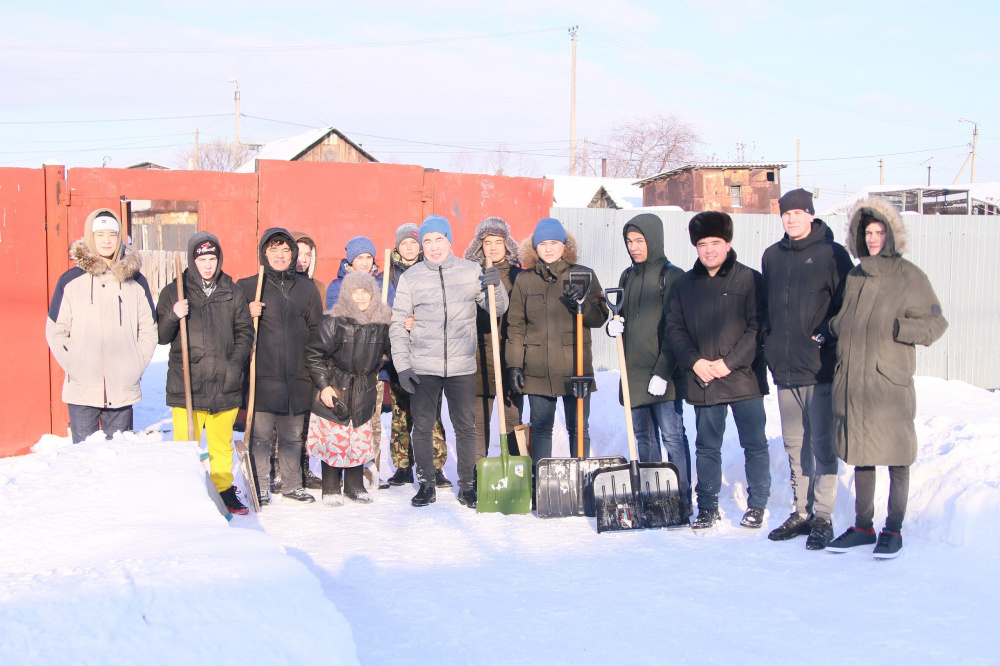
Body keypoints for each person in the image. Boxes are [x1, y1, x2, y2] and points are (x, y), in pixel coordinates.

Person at [826, 196, 947, 559]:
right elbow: (845, 316)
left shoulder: (909, 275)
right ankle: (864, 527)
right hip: (855, 382)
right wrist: (836, 326)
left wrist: (898, 327)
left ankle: (893, 530)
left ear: (891, 235)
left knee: (897, 456)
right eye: (868, 232)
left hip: (889, 383)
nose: (874, 238)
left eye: (879, 231)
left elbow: (936, 323)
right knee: (862, 453)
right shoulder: (855, 274)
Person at [761, 189, 855, 549]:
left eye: (799, 213)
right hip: (785, 369)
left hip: (820, 368)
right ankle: (801, 511)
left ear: (811, 215)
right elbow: (767, 305)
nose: (792, 219)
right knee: (793, 444)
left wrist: (826, 333)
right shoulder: (772, 256)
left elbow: (848, 302)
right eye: (786, 214)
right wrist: (769, 339)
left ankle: (823, 516)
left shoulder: (831, 253)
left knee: (822, 444)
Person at [389, 214, 504, 508]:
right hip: (423, 366)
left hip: (461, 365)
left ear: (449, 240)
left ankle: (467, 486)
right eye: (427, 241)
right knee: (423, 427)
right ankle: (426, 483)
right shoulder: (411, 278)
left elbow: (497, 308)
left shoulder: (470, 271)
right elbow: (398, 322)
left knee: (465, 427)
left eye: (439, 239)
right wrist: (402, 366)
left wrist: (497, 284)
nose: (433, 246)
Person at [665, 211, 770, 530]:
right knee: (707, 446)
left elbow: (758, 327)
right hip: (704, 378)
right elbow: (674, 327)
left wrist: (729, 362)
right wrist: (695, 362)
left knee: (754, 443)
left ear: (728, 243)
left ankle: (757, 504)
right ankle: (707, 506)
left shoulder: (750, 279)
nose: (709, 249)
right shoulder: (685, 285)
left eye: (715, 243)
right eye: (702, 244)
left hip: (743, 376)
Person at [157, 232, 254, 515]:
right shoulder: (174, 292)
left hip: (225, 383)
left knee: (220, 445)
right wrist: (174, 314)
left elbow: (245, 333)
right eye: (202, 259)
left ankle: (224, 491)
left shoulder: (232, 292)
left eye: (212, 259)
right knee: (184, 445)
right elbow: (162, 337)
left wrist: (234, 365)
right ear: (192, 260)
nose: (208, 265)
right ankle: (184, 493)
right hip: (187, 383)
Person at [46, 208, 158, 443]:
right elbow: (56, 330)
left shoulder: (136, 281)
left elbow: (149, 329)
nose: (107, 240)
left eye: (112, 234)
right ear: (90, 237)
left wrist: (134, 365)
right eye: (100, 235)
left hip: (122, 389)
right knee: (84, 462)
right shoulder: (70, 281)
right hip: (82, 389)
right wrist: (76, 364)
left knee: (118, 462)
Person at [505, 217, 609, 468]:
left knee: (578, 428)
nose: (549, 248)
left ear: (565, 246)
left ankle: (580, 479)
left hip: (575, 368)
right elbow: (516, 326)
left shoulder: (583, 275)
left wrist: (581, 305)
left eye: (554, 243)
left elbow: (600, 318)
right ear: (535, 248)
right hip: (536, 368)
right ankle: (542, 485)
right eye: (543, 244)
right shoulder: (525, 280)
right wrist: (514, 365)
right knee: (541, 428)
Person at [606, 212, 691, 513]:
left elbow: (676, 329)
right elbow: (622, 317)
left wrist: (663, 372)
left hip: (662, 373)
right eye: (629, 241)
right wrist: (612, 327)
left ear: (653, 240)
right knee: (644, 438)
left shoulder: (672, 276)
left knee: (672, 436)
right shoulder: (627, 277)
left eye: (640, 240)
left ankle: (681, 498)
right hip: (634, 373)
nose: (634, 247)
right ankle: (655, 496)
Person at [238, 228, 323, 505]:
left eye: (285, 250)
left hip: (297, 377)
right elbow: (235, 330)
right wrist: (246, 312)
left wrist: (314, 371)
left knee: (292, 437)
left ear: (293, 254)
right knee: (260, 438)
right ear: (264, 253)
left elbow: (316, 332)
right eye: (274, 249)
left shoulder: (306, 287)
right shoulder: (250, 286)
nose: (280, 255)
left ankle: (292, 485)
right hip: (263, 376)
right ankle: (260, 484)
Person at [305, 271, 392, 506]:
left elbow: (393, 350)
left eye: (365, 292)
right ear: (346, 295)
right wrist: (324, 386)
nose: (361, 297)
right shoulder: (334, 321)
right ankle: (331, 486)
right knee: (335, 438)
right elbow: (315, 354)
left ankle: (355, 485)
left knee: (357, 437)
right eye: (355, 292)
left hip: (364, 388)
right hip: (337, 387)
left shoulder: (381, 323)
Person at [326, 236, 398, 490]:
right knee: (343, 419)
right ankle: (342, 467)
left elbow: (390, 321)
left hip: (374, 366)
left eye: (369, 258)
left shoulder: (384, 284)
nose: (365, 263)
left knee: (372, 419)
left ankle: (370, 468)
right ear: (350, 261)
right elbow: (335, 320)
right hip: (344, 368)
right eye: (360, 258)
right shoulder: (337, 286)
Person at [385, 223, 451, 488]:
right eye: (405, 243)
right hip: (399, 353)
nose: (410, 247)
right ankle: (403, 466)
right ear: (397, 246)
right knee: (401, 412)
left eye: (414, 242)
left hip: (428, 352)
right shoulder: (388, 275)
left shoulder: (432, 270)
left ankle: (436, 467)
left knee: (431, 413)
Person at [463, 217, 524, 460]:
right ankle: (479, 474)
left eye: (499, 241)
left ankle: (516, 471)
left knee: (512, 421)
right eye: (488, 242)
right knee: (479, 423)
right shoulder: (470, 276)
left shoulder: (519, 277)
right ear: (480, 246)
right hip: (478, 359)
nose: (493, 247)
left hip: (510, 358)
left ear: (507, 244)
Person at [290, 230, 326, 490]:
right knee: (282, 421)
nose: (302, 259)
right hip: (283, 360)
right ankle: (280, 469)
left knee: (305, 419)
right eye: (298, 253)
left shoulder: (319, 287)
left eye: (308, 254)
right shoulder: (278, 283)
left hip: (310, 360)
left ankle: (304, 469)